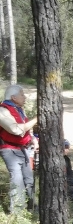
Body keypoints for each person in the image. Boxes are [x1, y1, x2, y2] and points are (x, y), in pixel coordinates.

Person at [0, 84, 38, 212]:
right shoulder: (3, 110)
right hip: (10, 150)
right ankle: (17, 213)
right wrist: (36, 119)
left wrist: (33, 140)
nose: (25, 97)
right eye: (22, 94)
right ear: (13, 97)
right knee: (17, 180)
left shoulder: (18, 109)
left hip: (23, 149)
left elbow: (26, 130)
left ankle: (31, 208)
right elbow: (16, 129)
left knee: (29, 179)